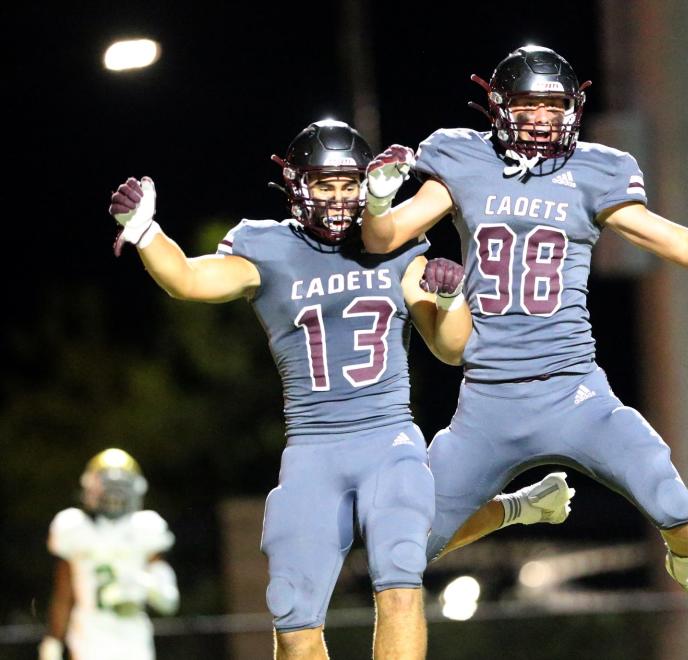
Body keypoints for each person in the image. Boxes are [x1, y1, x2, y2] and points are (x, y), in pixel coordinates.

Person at [359, 45, 688, 647]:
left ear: (573, 109)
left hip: (573, 390)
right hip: (487, 398)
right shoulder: (461, 157)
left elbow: (677, 241)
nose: (540, 118)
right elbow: (385, 234)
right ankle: (521, 507)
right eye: (527, 104)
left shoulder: (596, 170)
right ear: (498, 106)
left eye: (553, 105)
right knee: (399, 546)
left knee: (675, 505)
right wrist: (378, 198)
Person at [107, 119, 573, 660]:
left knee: (400, 572)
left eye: (348, 185)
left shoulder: (395, 246)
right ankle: (517, 507)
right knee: (294, 620)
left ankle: (516, 508)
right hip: (312, 447)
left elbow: (451, 348)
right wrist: (146, 232)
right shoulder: (268, 247)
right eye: (325, 186)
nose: (337, 198)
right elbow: (188, 279)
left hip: (386, 438)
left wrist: (449, 302)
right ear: (296, 186)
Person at [39, 448, 179, 660]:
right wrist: (54, 640)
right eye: (109, 488)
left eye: (120, 489)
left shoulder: (145, 528)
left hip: (134, 641)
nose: (114, 497)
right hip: (89, 640)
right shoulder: (74, 527)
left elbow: (169, 600)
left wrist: (142, 584)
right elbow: (64, 592)